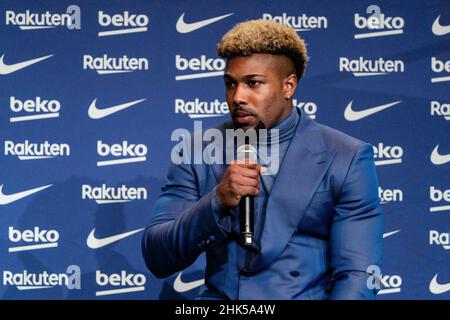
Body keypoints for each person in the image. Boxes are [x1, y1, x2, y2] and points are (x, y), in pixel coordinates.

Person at [141, 19, 383, 300]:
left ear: (288, 85)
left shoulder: (346, 156)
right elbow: (157, 256)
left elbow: (358, 274)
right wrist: (216, 202)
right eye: (230, 84)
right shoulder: (196, 151)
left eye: (253, 83)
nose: (237, 97)